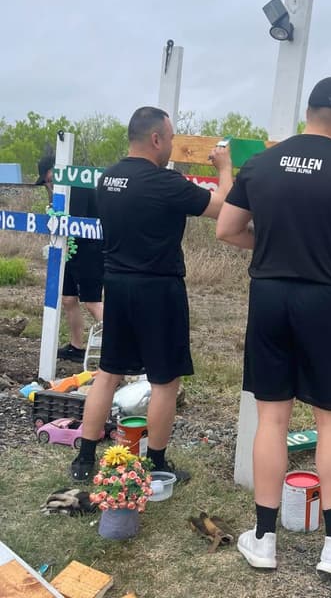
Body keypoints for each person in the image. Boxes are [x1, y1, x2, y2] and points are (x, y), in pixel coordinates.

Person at [217, 76, 331, 576]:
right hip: (325, 299)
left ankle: (264, 539)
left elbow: (227, 230)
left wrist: (272, 246)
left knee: (271, 418)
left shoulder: (262, 163)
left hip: (269, 294)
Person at [68, 107, 233, 484]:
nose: (172, 145)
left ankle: (85, 458)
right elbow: (223, 207)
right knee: (164, 381)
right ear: (156, 139)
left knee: (108, 373)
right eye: (171, 138)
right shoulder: (165, 183)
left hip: (118, 285)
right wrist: (224, 167)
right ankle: (156, 462)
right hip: (159, 289)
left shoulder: (107, 180)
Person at [35, 154, 104, 362]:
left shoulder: (79, 186)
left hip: (90, 249)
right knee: (68, 299)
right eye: (47, 182)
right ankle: (76, 346)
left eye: (49, 179)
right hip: (69, 249)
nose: (49, 184)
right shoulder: (58, 191)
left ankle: (121, 350)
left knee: (92, 302)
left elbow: (75, 221)